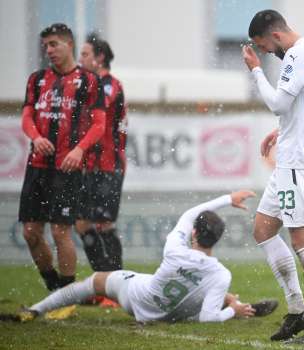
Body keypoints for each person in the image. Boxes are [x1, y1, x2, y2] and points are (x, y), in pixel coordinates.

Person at [16, 191, 278, 323]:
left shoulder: (175, 249)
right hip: (169, 315)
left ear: (194, 232)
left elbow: (188, 214)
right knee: (212, 291)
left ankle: (35, 310)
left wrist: (226, 198)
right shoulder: (221, 273)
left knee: (93, 282)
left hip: (134, 296)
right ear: (218, 239)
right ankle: (241, 305)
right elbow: (208, 319)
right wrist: (231, 311)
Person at [242, 10, 304, 344]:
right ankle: (299, 311)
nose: (266, 52)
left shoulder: (298, 54)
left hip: (302, 162)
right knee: (264, 228)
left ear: (276, 35)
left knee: (303, 239)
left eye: (263, 45)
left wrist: (255, 71)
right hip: (291, 158)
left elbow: (279, 104)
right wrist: (281, 132)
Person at [19, 23, 105, 292]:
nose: (49, 50)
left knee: (60, 231)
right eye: (46, 46)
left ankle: (66, 296)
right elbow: (26, 116)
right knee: (31, 233)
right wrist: (36, 137)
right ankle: (55, 288)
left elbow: (99, 124)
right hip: (37, 166)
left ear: (69, 44)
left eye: (54, 44)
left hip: (66, 168)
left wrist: (79, 150)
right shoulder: (37, 80)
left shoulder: (88, 81)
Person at [76, 34, 127, 280]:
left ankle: (114, 281)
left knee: (104, 225)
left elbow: (100, 113)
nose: (80, 59)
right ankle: (101, 278)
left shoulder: (109, 85)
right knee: (82, 224)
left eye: (85, 54)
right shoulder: (85, 84)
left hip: (108, 165)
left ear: (100, 58)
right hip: (87, 166)